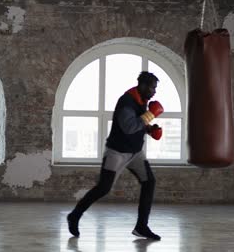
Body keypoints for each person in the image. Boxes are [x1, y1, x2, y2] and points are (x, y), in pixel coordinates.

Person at [67, 71, 164, 240]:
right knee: (103, 188)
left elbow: (138, 123)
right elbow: (128, 126)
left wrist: (149, 129)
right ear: (142, 86)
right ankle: (74, 215)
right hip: (117, 152)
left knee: (149, 182)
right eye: (152, 88)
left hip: (135, 153)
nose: (154, 92)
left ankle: (142, 226)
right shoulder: (126, 101)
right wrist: (151, 115)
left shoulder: (142, 100)